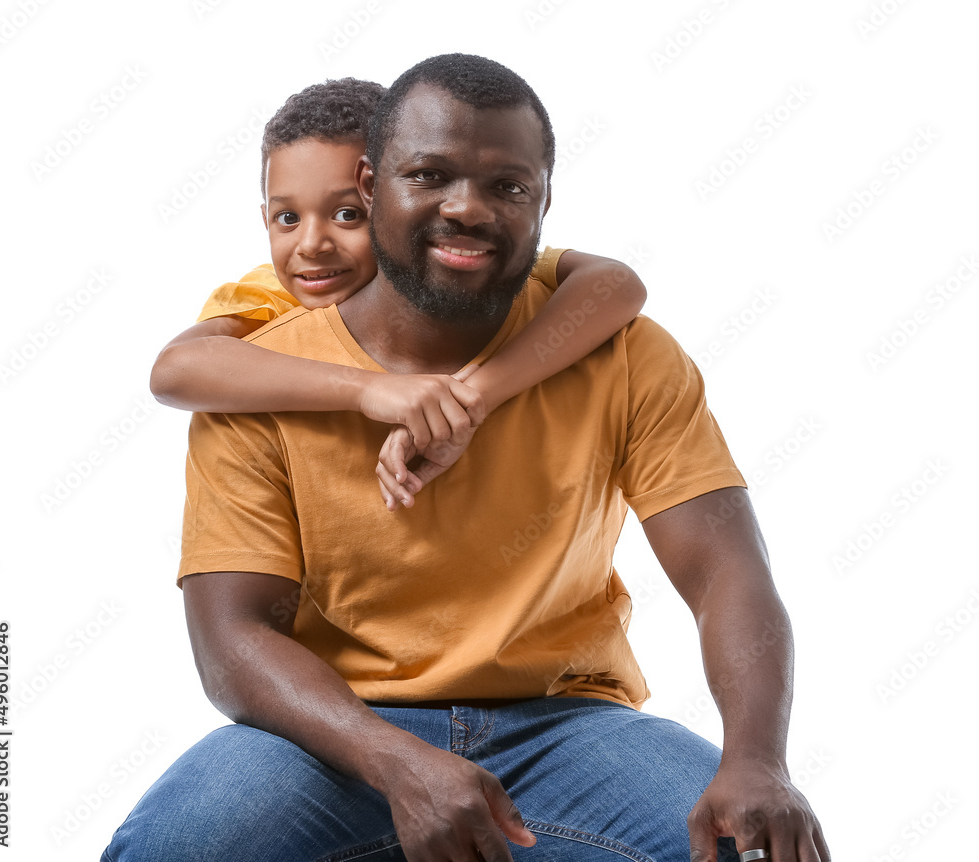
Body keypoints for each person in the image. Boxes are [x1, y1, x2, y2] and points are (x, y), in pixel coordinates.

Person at [101, 54, 830, 862]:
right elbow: (231, 638)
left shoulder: (619, 351)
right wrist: (396, 761)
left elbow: (726, 569)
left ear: (546, 199)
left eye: (508, 188)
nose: (467, 209)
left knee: (746, 845)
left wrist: (758, 759)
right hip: (333, 729)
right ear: (373, 184)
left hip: (567, 724)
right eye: (430, 175)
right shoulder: (261, 376)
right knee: (167, 848)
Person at [148, 77, 647, 506]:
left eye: (348, 215)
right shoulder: (269, 297)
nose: (312, 244)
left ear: (386, 197)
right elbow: (174, 370)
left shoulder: (461, 261)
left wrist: (474, 396)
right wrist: (372, 390)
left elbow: (618, 284)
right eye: (287, 218)